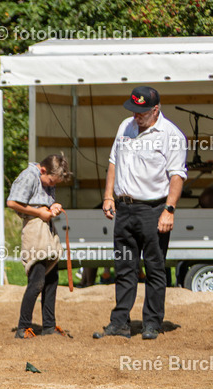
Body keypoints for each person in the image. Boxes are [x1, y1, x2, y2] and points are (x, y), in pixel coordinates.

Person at [94, 86, 187, 341]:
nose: (136, 116)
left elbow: (177, 175)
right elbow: (113, 161)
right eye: (133, 110)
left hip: (154, 209)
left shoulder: (171, 135)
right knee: (124, 268)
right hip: (124, 209)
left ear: (155, 109)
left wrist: (169, 209)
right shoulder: (126, 126)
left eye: (141, 112)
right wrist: (108, 195)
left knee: (155, 268)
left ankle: (151, 323)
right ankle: (120, 322)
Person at [7, 154, 74, 338]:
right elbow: (12, 202)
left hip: (47, 228)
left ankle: (49, 326)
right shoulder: (28, 176)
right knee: (37, 281)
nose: (53, 185)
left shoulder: (47, 179)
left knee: (51, 280)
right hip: (34, 229)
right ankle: (23, 327)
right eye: (52, 181)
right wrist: (39, 212)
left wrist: (53, 207)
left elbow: (47, 202)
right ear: (43, 170)